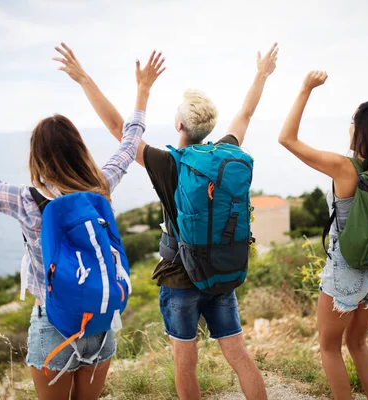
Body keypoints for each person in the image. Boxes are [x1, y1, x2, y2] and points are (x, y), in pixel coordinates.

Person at [0, 43, 166, 400]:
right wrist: (141, 90)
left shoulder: (26, 200)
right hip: (99, 322)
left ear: (37, 156)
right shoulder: (101, 185)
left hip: (54, 324)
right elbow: (130, 142)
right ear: (78, 149)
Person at [54, 43, 279, 400]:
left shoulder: (167, 163)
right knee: (238, 356)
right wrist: (262, 73)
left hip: (180, 278)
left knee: (185, 364)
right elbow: (246, 113)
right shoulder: (225, 154)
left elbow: (118, 128)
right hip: (221, 272)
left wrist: (83, 78)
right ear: (209, 127)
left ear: (179, 124)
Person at [278, 70, 368, 400]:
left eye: (353, 124)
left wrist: (305, 88)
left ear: (362, 135)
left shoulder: (344, 169)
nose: (349, 128)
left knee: (329, 347)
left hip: (347, 271)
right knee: (358, 342)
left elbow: (287, 139)